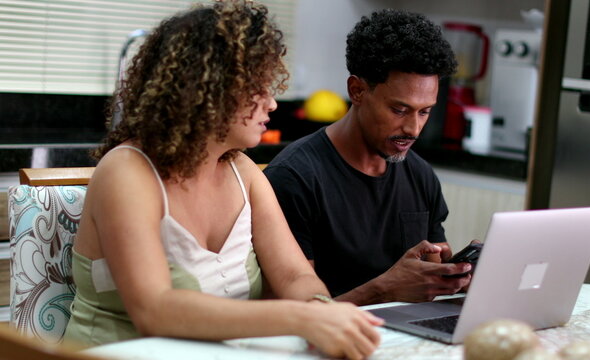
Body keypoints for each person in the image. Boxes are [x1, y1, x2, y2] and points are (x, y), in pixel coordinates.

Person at [64, 2, 382, 359]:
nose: (272, 104)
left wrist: (321, 308)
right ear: (209, 91)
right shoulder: (126, 173)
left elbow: (295, 276)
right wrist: (299, 317)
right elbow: (155, 310)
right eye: (258, 88)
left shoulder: (242, 171)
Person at [264, 9, 473, 306]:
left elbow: (432, 265)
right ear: (357, 90)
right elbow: (290, 312)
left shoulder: (421, 175)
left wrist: (454, 277)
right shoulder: (294, 178)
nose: (413, 129)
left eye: (425, 111)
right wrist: (383, 290)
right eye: (399, 110)